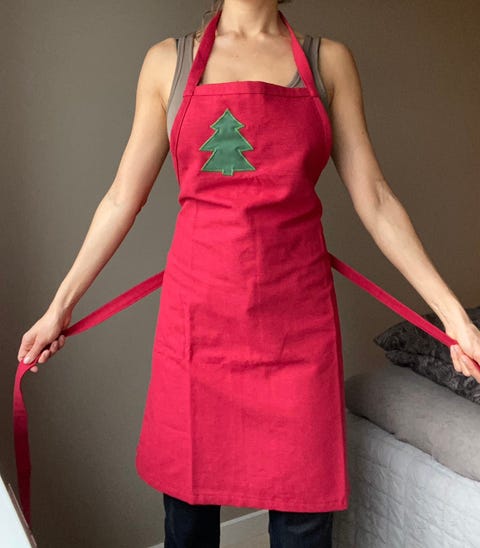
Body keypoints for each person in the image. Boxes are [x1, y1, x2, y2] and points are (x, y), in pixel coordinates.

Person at [17, 0, 480, 546]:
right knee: (187, 521)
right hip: (197, 328)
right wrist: (59, 308)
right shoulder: (168, 62)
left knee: (304, 518)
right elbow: (122, 198)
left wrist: (454, 318)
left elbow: (375, 199)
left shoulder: (328, 61)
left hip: (298, 328)